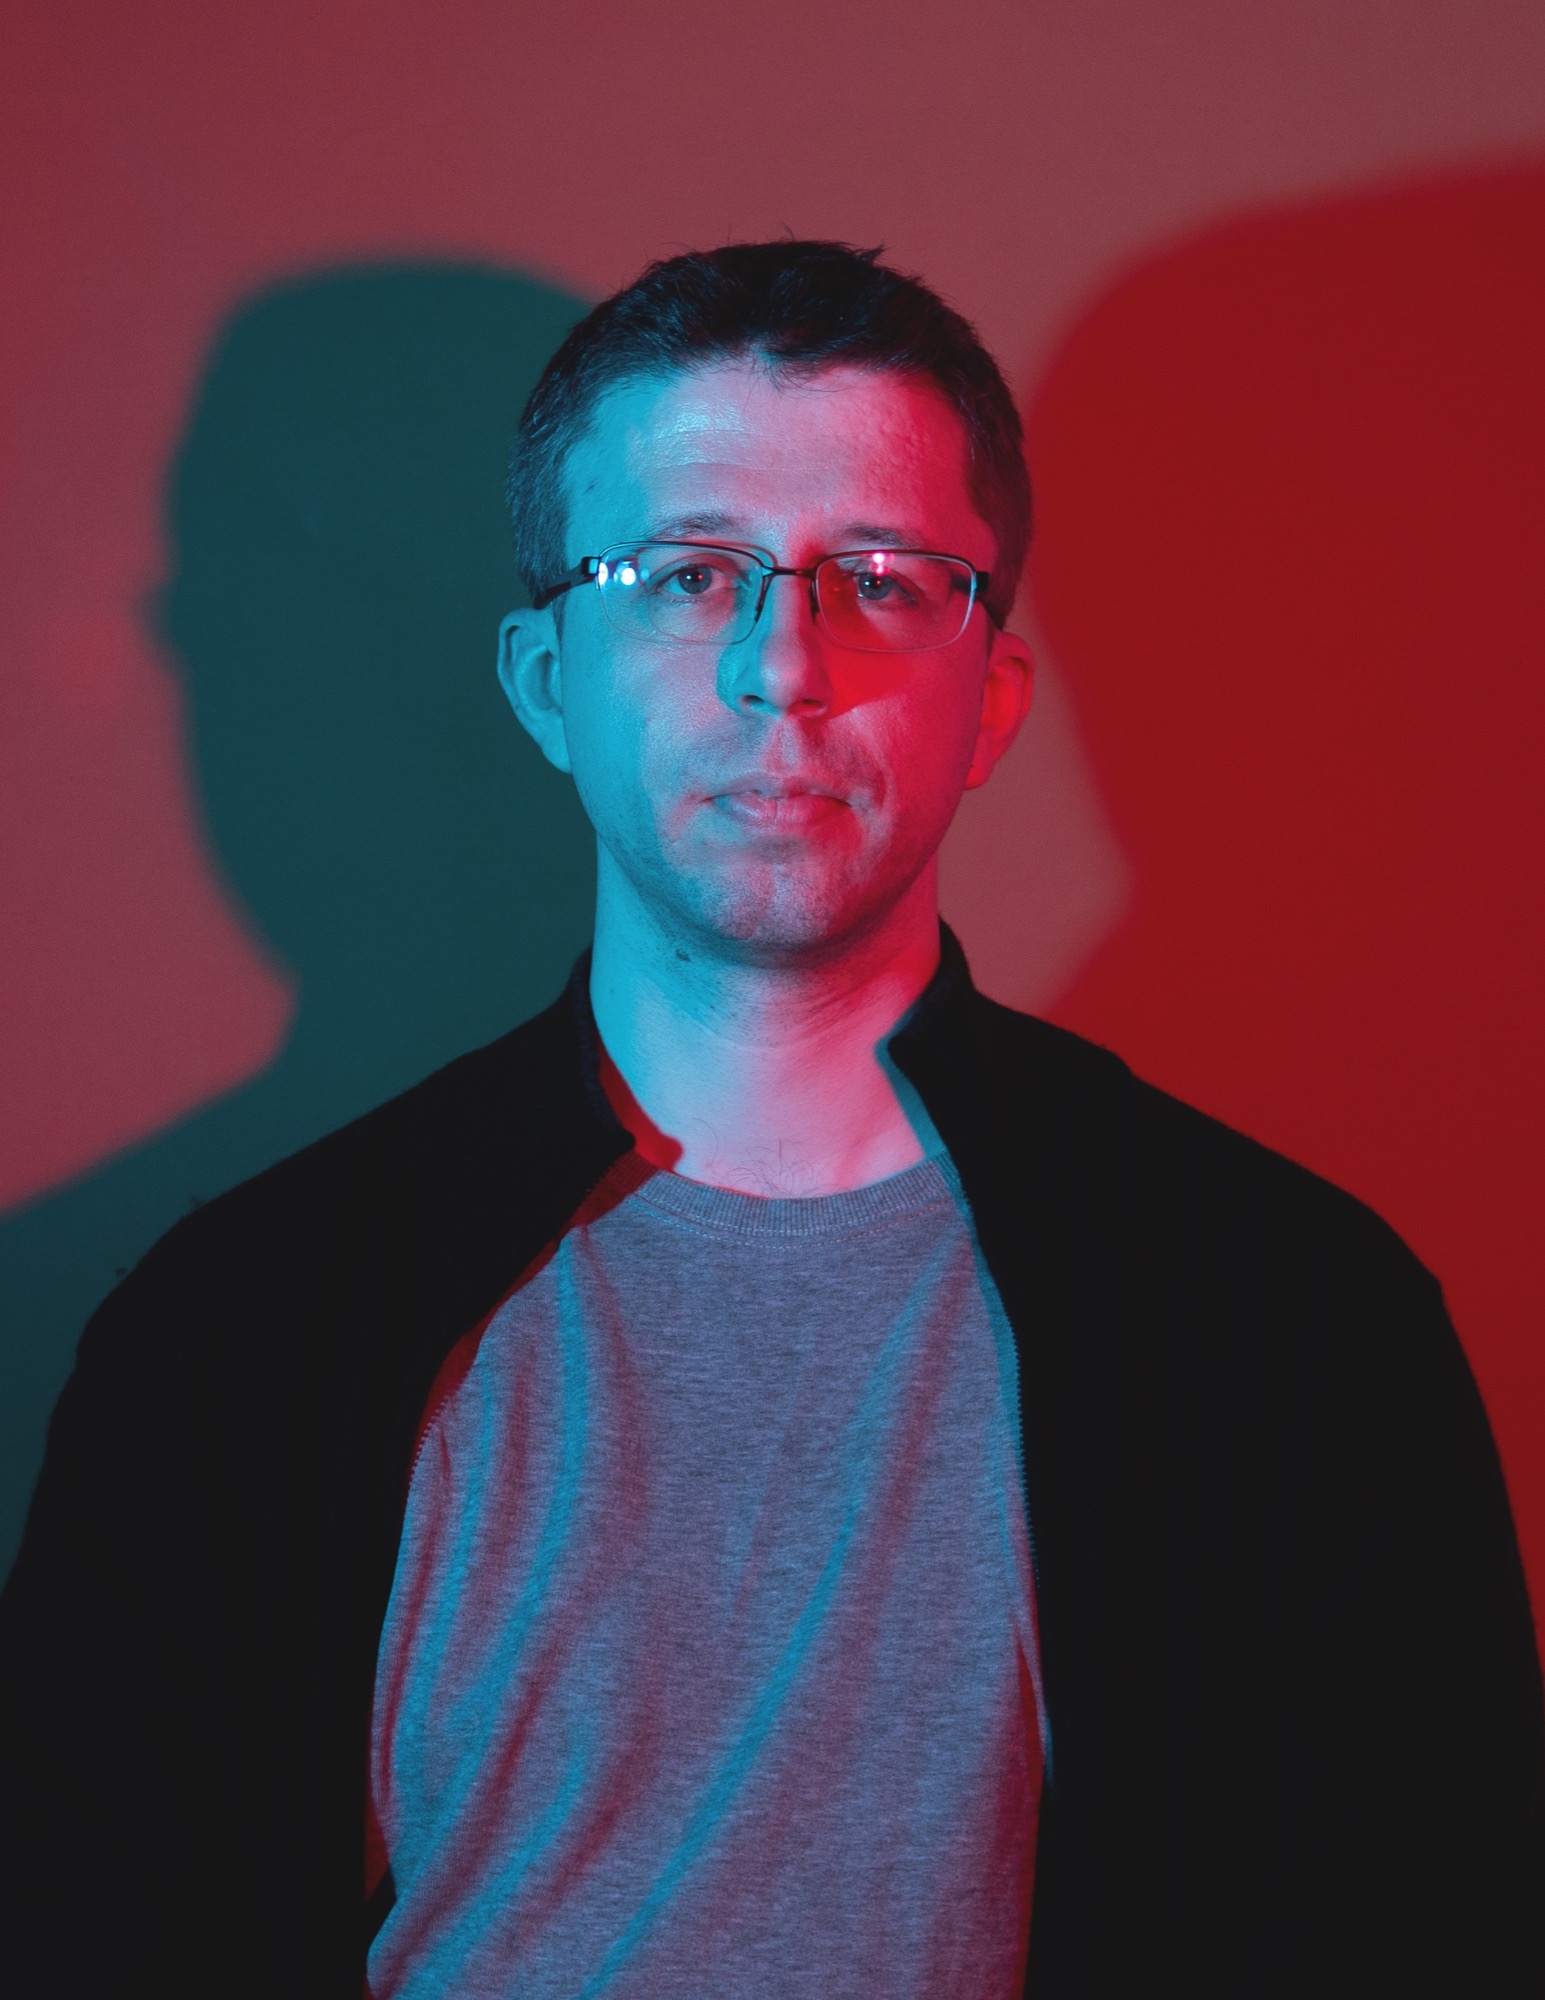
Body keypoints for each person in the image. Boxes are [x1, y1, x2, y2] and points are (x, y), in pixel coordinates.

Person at [0, 240, 1539, 2000]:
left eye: (877, 579)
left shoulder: (1293, 1319)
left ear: (990, 698)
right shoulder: (235, 1330)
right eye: (685, 576)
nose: (781, 667)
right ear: (545, 681)